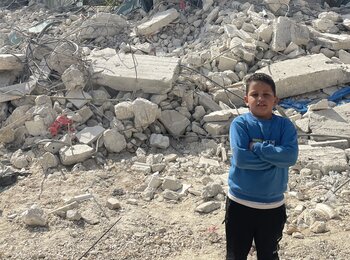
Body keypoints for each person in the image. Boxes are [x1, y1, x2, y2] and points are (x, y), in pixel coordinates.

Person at [225, 73, 299, 260]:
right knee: (235, 256)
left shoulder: (284, 126)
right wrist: (275, 158)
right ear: (246, 99)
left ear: (275, 100)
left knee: (269, 256)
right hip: (240, 204)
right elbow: (241, 159)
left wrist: (256, 147)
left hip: (272, 207)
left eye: (266, 94)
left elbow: (290, 157)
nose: (260, 99)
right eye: (255, 94)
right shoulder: (240, 124)